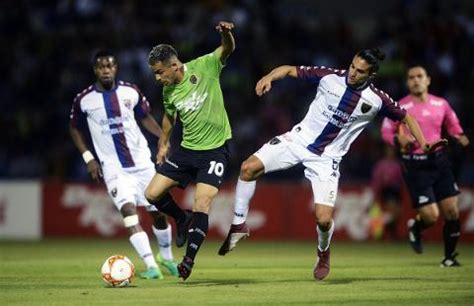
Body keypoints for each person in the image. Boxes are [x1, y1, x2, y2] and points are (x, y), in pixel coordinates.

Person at [218, 48, 439, 281]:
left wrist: (423, 143)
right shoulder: (329, 76)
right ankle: (239, 225)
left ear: (371, 75)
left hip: (327, 159)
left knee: (323, 219)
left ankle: (323, 253)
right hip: (298, 140)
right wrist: (269, 77)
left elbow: (408, 117)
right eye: (352, 66)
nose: (352, 73)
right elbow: (290, 69)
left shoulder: (376, 99)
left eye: (360, 71)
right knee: (247, 168)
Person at [69, 50, 179, 279]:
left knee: (158, 212)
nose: (106, 70)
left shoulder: (130, 91)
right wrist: (89, 158)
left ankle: (166, 258)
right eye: (101, 67)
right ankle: (151, 266)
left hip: (142, 163)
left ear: (116, 68)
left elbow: (145, 117)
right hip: (114, 168)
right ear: (95, 70)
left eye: (109, 66)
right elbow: (74, 128)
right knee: (128, 210)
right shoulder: (84, 99)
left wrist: (163, 140)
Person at [144, 21, 235, 280]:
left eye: (160, 72)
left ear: (174, 65)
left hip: (214, 151)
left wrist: (226, 34)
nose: (157, 78)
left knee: (202, 203)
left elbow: (227, 49)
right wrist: (163, 143)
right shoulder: (169, 91)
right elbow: (169, 117)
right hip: (187, 151)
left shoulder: (205, 66)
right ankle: (181, 220)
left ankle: (188, 261)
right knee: (151, 194)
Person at [381, 65, 470, 266]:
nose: (416, 80)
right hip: (415, 165)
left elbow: (453, 125)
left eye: (420, 76)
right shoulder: (399, 107)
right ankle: (417, 227)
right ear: (407, 82)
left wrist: (459, 136)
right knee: (431, 216)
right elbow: (385, 132)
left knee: (452, 212)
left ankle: (449, 258)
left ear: (428, 80)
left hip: (439, 161)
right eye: (411, 77)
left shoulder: (442, 104)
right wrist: (397, 140)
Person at [370, 145, 403, 240]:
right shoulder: (381, 164)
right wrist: (376, 191)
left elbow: (401, 178)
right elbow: (376, 179)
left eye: (392, 150)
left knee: (397, 214)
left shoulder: (397, 164)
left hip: (396, 190)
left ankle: (391, 234)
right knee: (393, 213)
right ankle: (385, 230)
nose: (390, 152)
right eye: (389, 150)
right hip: (387, 190)